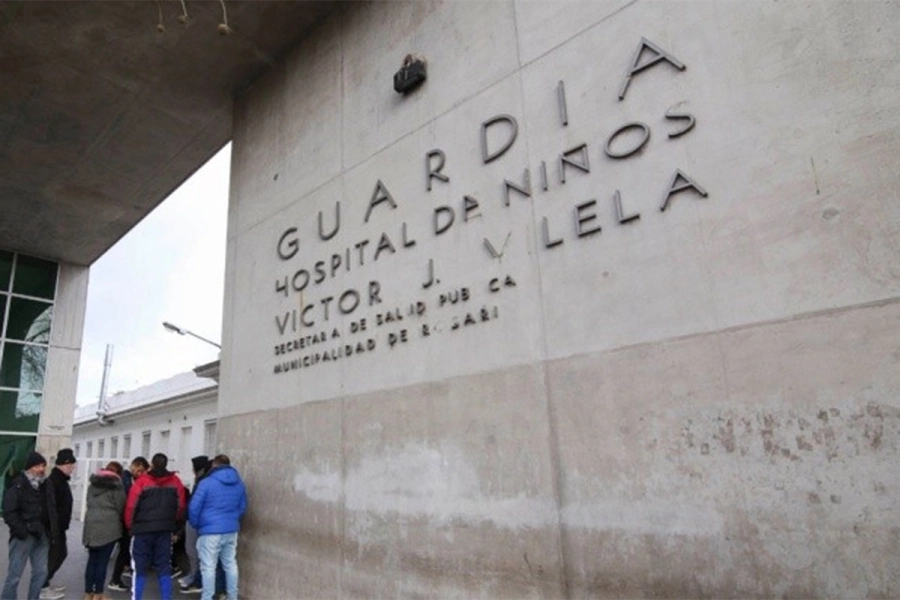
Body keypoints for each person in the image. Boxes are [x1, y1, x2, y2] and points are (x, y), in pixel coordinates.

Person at [124, 453, 187, 600]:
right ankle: (166, 598)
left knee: (139, 567)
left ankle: (137, 598)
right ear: (166, 464)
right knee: (164, 566)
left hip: (142, 530)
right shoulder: (176, 482)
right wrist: (174, 524)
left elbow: (131, 506)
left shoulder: (142, 482)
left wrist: (130, 526)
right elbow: (181, 506)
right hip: (164, 530)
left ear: (152, 464)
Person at [1, 452, 60, 600]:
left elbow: (52, 509)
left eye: (43, 466)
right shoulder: (18, 484)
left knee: (41, 573)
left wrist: (53, 532)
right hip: (23, 537)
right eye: (37, 466)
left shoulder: (47, 484)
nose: (41, 469)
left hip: (43, 535)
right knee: (14, 575)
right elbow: (9, 511)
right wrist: (22, 530)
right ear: (29, 468)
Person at [189, 455, 247, 600]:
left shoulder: (206, 483)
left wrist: (197, 524)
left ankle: (207, 597)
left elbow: (194, 508)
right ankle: (232, 596)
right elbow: (242, 507)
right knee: (230, 564)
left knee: (208, 567)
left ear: (214, 465)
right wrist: (232, 519)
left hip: (209, 531)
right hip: (231, 530)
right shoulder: (239, 483)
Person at [82, 461, 126, 600]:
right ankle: (99, 594)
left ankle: (88, 593)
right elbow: (121, 506)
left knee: (92, 560)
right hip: (109, 526)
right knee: (103, 561)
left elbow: (88, 501)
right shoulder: (117, 486)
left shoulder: (93, 484)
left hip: (91, 525)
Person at [42, 448, 76, 598]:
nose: (72, 468)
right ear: (63, 465)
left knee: (60, 554)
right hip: (53, 528)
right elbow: (51, 507)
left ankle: (46, 582)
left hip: (59, 527)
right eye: (70, 466)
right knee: (55, 556)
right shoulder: (54, 481)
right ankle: (42, 586)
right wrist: (53, 528)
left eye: (73, 465)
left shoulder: (61, 480)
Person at [107, 458, 140, 592]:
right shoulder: (124, 483)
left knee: (120, 551)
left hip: (114, 523)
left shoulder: (115, 483)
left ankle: (98, 586)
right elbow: (125, 504)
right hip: (122, 522)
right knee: (124, 550)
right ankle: (115, 579)